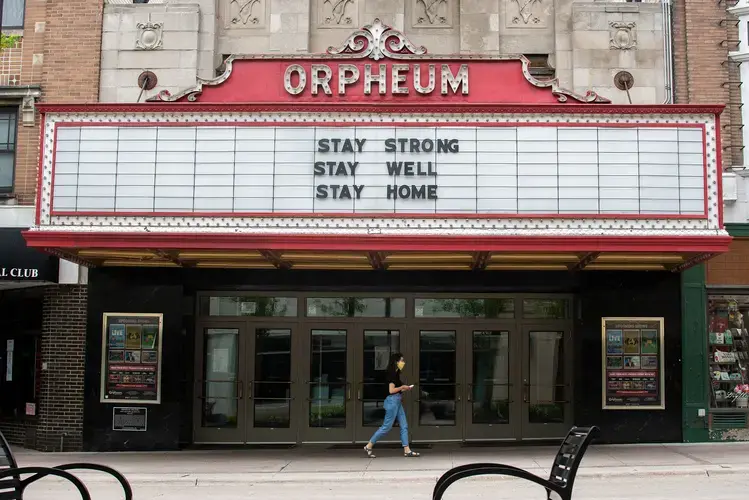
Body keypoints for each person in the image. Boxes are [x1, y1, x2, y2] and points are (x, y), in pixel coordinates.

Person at [363, 352, 420, 458]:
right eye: (401, 360)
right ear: (396, 362)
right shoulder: (391, 375)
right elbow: (391, 390)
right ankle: (369, 445)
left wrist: (404, 388)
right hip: (392, 402)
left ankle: (407, 450)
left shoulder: (396, 374)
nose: (403, 362)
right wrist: (402, 387)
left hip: (397, 401)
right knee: (386, 426)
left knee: (404, 425)